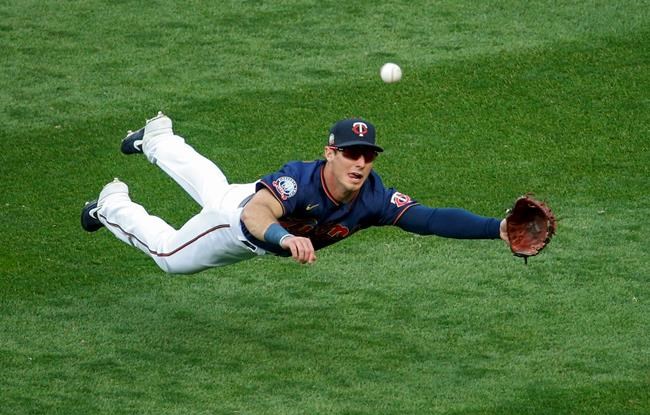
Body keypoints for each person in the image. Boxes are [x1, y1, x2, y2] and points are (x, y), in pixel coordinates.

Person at [81, 112, 508, 274]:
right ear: (330, 153)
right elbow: (255, 215)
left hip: (247, 205)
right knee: (170, 258)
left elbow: (430, 219)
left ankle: (156, 137)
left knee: (215, 188)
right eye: (351, 154)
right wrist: (284, 238)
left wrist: (498, 228)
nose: (360, 164)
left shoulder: (374, 197)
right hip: (238, 226)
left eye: (368, 156)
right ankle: (111, 204)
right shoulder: (301, 180)